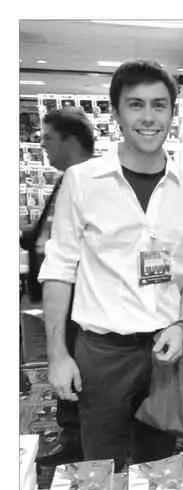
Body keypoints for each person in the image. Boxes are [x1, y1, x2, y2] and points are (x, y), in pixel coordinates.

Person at [38, 60, 183, 468]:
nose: (149, 117)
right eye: (136, 104)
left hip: (165, 348)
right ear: (116, 113)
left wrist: (182, 323)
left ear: (172, 113)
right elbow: (59, 269)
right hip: (103, 352)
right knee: (102, 464)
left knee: (158, 462)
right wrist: (57, 355)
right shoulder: (83, 181)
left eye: (159, 105)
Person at [21, 107, 95, 466]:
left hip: (79, 301)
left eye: (49, 138)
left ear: (71, 140)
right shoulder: (68, 180)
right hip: (58, 300)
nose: (44, 146)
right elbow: (48, 237)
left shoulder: (89, 184)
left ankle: (78, 441)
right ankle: (73, 434)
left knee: (76, 370)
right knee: (63, 363)